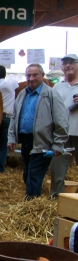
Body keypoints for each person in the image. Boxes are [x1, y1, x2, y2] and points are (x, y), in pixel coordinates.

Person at [8, 64, 69, 199]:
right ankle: (32, 198)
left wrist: (58, 144)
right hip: (26, 140)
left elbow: (61, 121)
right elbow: (14, 117)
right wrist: (11, 138)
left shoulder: (51, 94)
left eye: (35, 75)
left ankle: (31, 202)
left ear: (42, 75)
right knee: (27, 172)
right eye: (28, 75)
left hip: (43, 141)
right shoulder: (22, 94)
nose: (31, 78)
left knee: (35, 173)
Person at [49, 54, 78, 197]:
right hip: (62, 134)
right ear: (62, 68)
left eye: (72, 62)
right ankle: (56, 198)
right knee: (57, 169)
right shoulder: (57, 87)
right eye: (65, 63)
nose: (68, 65)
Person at [0, 66, 19, 173]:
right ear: (5, 74)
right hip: (6, 117)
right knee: (4, 145)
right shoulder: (10, 84)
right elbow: (18, 85)